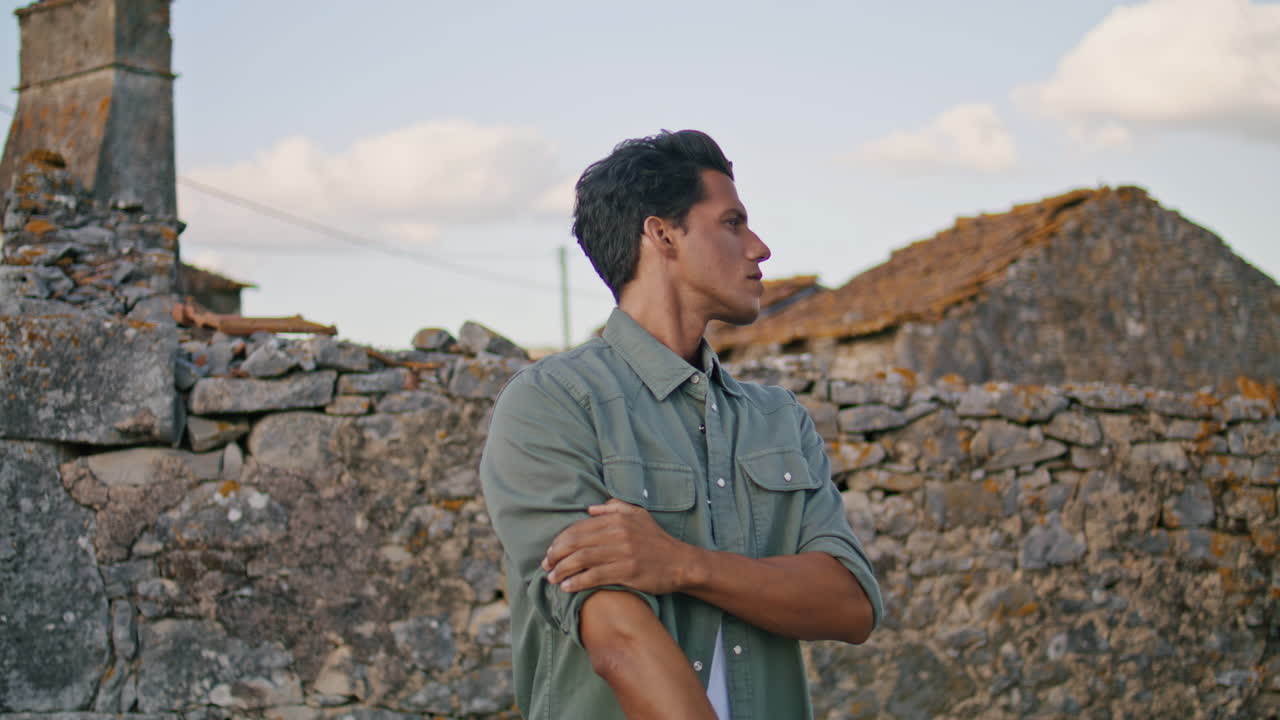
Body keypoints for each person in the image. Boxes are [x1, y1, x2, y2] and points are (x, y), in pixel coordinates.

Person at [480, 129, 882, 720]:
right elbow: (618, 640)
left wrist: (682, 565)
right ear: (662, 233)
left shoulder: (779, 419)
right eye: (733, 223)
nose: (761, 247)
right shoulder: (553, 404)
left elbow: (849, 606)